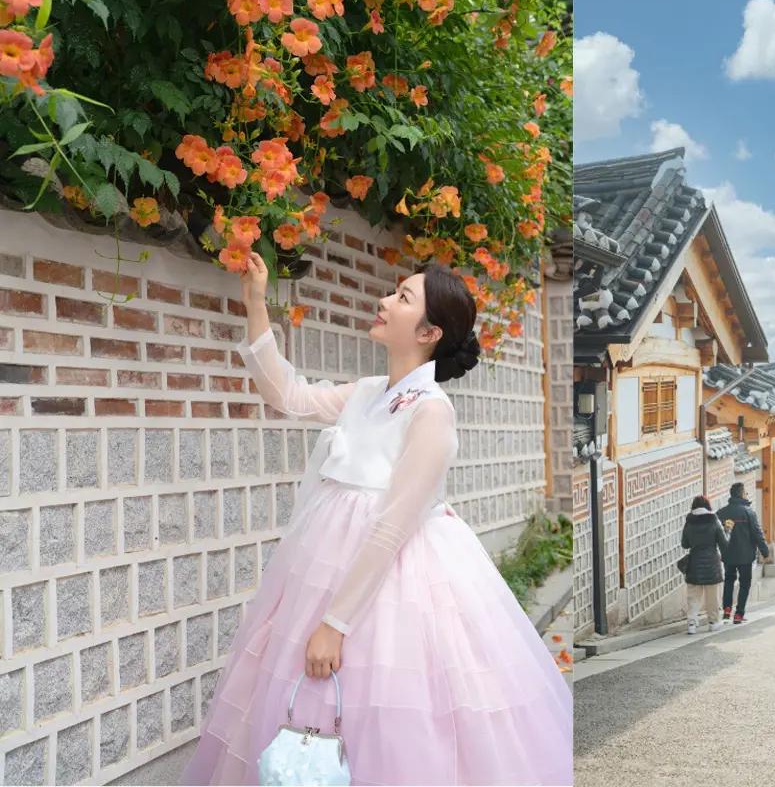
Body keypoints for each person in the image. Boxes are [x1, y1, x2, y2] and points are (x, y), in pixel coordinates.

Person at [182, 253, 572, 786]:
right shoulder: (368, 392)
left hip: (389, 578)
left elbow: (391, 527)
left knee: (385, 712)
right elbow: (288, 397)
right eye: (394, 293)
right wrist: (255, 302)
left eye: (403, 298)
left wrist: (334, 625)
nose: (385, 302)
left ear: (430, 332)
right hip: (326, 563)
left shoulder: (430, 410)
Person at [717, 482, 770, 624]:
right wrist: (765, 551)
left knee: (729, 580)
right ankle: (739, 614)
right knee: (744, 583)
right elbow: (757, 533)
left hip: (728, 554)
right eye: (746, 492)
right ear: (741, 494)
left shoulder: (721, 513)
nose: (747, 495)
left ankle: (727, 610)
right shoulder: (748, 512)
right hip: (746, 556)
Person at [681, 496, 729, 634]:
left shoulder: (689, 522)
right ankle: (713, 622)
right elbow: (724, 544)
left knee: (693, 596)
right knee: (712, 596)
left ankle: (691, 623)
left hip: (694, 563)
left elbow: (684, 544)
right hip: (711, 564)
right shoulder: (714, 520)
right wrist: (727, 531)